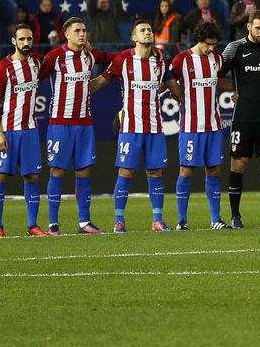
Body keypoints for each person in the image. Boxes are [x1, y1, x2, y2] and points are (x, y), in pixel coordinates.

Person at [93, 19, 177, 233]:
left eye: (149, 30)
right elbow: (101, 81)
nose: (147, 32)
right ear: (134, 38)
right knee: (126, 172)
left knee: (155, 172)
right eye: (142, 30)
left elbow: (175, 91)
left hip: (155, 127)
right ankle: (119, 220)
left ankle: (157, 220)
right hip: (130, 127)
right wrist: (77, 86)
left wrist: (169, 90)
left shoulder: (160, 61)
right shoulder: (124, 60)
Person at [40, 16, 106, 234]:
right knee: (57, 171)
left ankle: (84, 222)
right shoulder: (54, 57)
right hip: (60, 123)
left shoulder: (90, 56)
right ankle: (53, 223)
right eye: (77, 30)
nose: (82, 34)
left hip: (84, 123)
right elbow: (34, 77)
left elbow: (115, 59)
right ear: (66, 34)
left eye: (84, 30)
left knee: (84, 171)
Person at [222, 9, 260, 228]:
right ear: (248, 26)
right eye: (257, 28)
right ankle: (235, 216)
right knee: (239, 163)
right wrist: (234, 90)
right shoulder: (234, 48)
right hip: (244, 116)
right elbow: (217, 74)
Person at [0, 23, 48, 238]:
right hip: (8, 130)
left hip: (30, 131)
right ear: (13, 41)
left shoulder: (38, 62)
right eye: (21, 39)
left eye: (29, 39)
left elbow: (60, 59)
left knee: (31, 177)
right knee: (0, 176)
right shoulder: (2, 67)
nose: (26, 43)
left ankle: (33, 226)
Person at [168, 23, 229, 232]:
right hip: (190, 126)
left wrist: (241, 90)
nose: (211, 48)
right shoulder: (181, 60)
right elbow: (167, 82)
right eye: (208, 44)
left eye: (214, 45)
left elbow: (221, 82)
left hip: (213, 125)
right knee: (186, 170)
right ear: (199, 40)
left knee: (214, 169)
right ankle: (182, 220)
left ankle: (215, 219)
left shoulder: (218, 59)